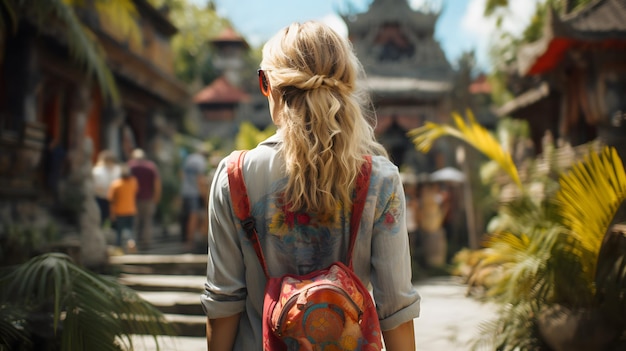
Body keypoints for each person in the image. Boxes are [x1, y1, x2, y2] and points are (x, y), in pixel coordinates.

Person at [201, 21, 420, 351]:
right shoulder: (380, 179)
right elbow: (396, 309)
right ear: (347, 84)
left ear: (266, 84)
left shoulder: (234, 176)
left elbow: (223, 303)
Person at [128, 148, 161, 250]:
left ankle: (133, 243)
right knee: (147, 222)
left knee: (134, 222)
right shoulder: (151, 167)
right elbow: (157, 184)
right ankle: (146, 243)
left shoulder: (130, 166)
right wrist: (156, 197)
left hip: (133, 199)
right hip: (148, 198)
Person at [179, 144, 209, 251]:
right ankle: (190, 242)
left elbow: (181, 174)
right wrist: (204, 194)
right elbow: (200, 179)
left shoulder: (189, 158)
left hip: (185, 191)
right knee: (194, 217)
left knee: (185, 217)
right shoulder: (201, 161)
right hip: (194, 193)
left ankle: (185, 241)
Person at [108, 165, 138, 253]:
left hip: (119, 212)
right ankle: (131, 244)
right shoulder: (133, 182)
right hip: (131, 210)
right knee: (130, 231)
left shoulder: (116, 184)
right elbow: (135, 192)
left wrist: (112, 213)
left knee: (119, 233)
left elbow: (111, 200)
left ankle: (119, 249)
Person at [92, 149, 121, 227]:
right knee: (102, 218)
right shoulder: (97, 171)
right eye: (107, 160)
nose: (109, 162)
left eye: (111, 160)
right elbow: (95, 187)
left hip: (115, 199)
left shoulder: (117, 170)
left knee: (116, 220)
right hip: (102, 198)